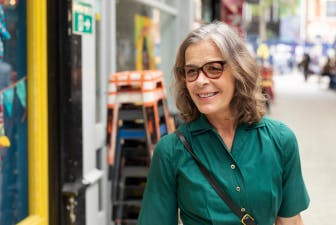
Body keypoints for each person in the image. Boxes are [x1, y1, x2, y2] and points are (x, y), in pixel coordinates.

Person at [137, 21, 309, 225]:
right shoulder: (171, 151)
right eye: (191, 71)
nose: (200, 81)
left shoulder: (280, 140)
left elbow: (290, 220)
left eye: (213, 68)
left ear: (239, 70)